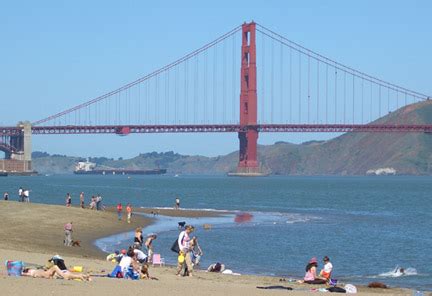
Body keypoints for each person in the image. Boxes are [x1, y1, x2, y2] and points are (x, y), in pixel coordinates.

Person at [22, 265, 91, 281]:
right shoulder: (29, 273)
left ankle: (82, 276)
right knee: (55, 267)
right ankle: (82, 276)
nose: (27, 268)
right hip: (45, 274)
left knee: (67, 273)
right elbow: (23, 274)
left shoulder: (31, 270)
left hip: (46, 273)